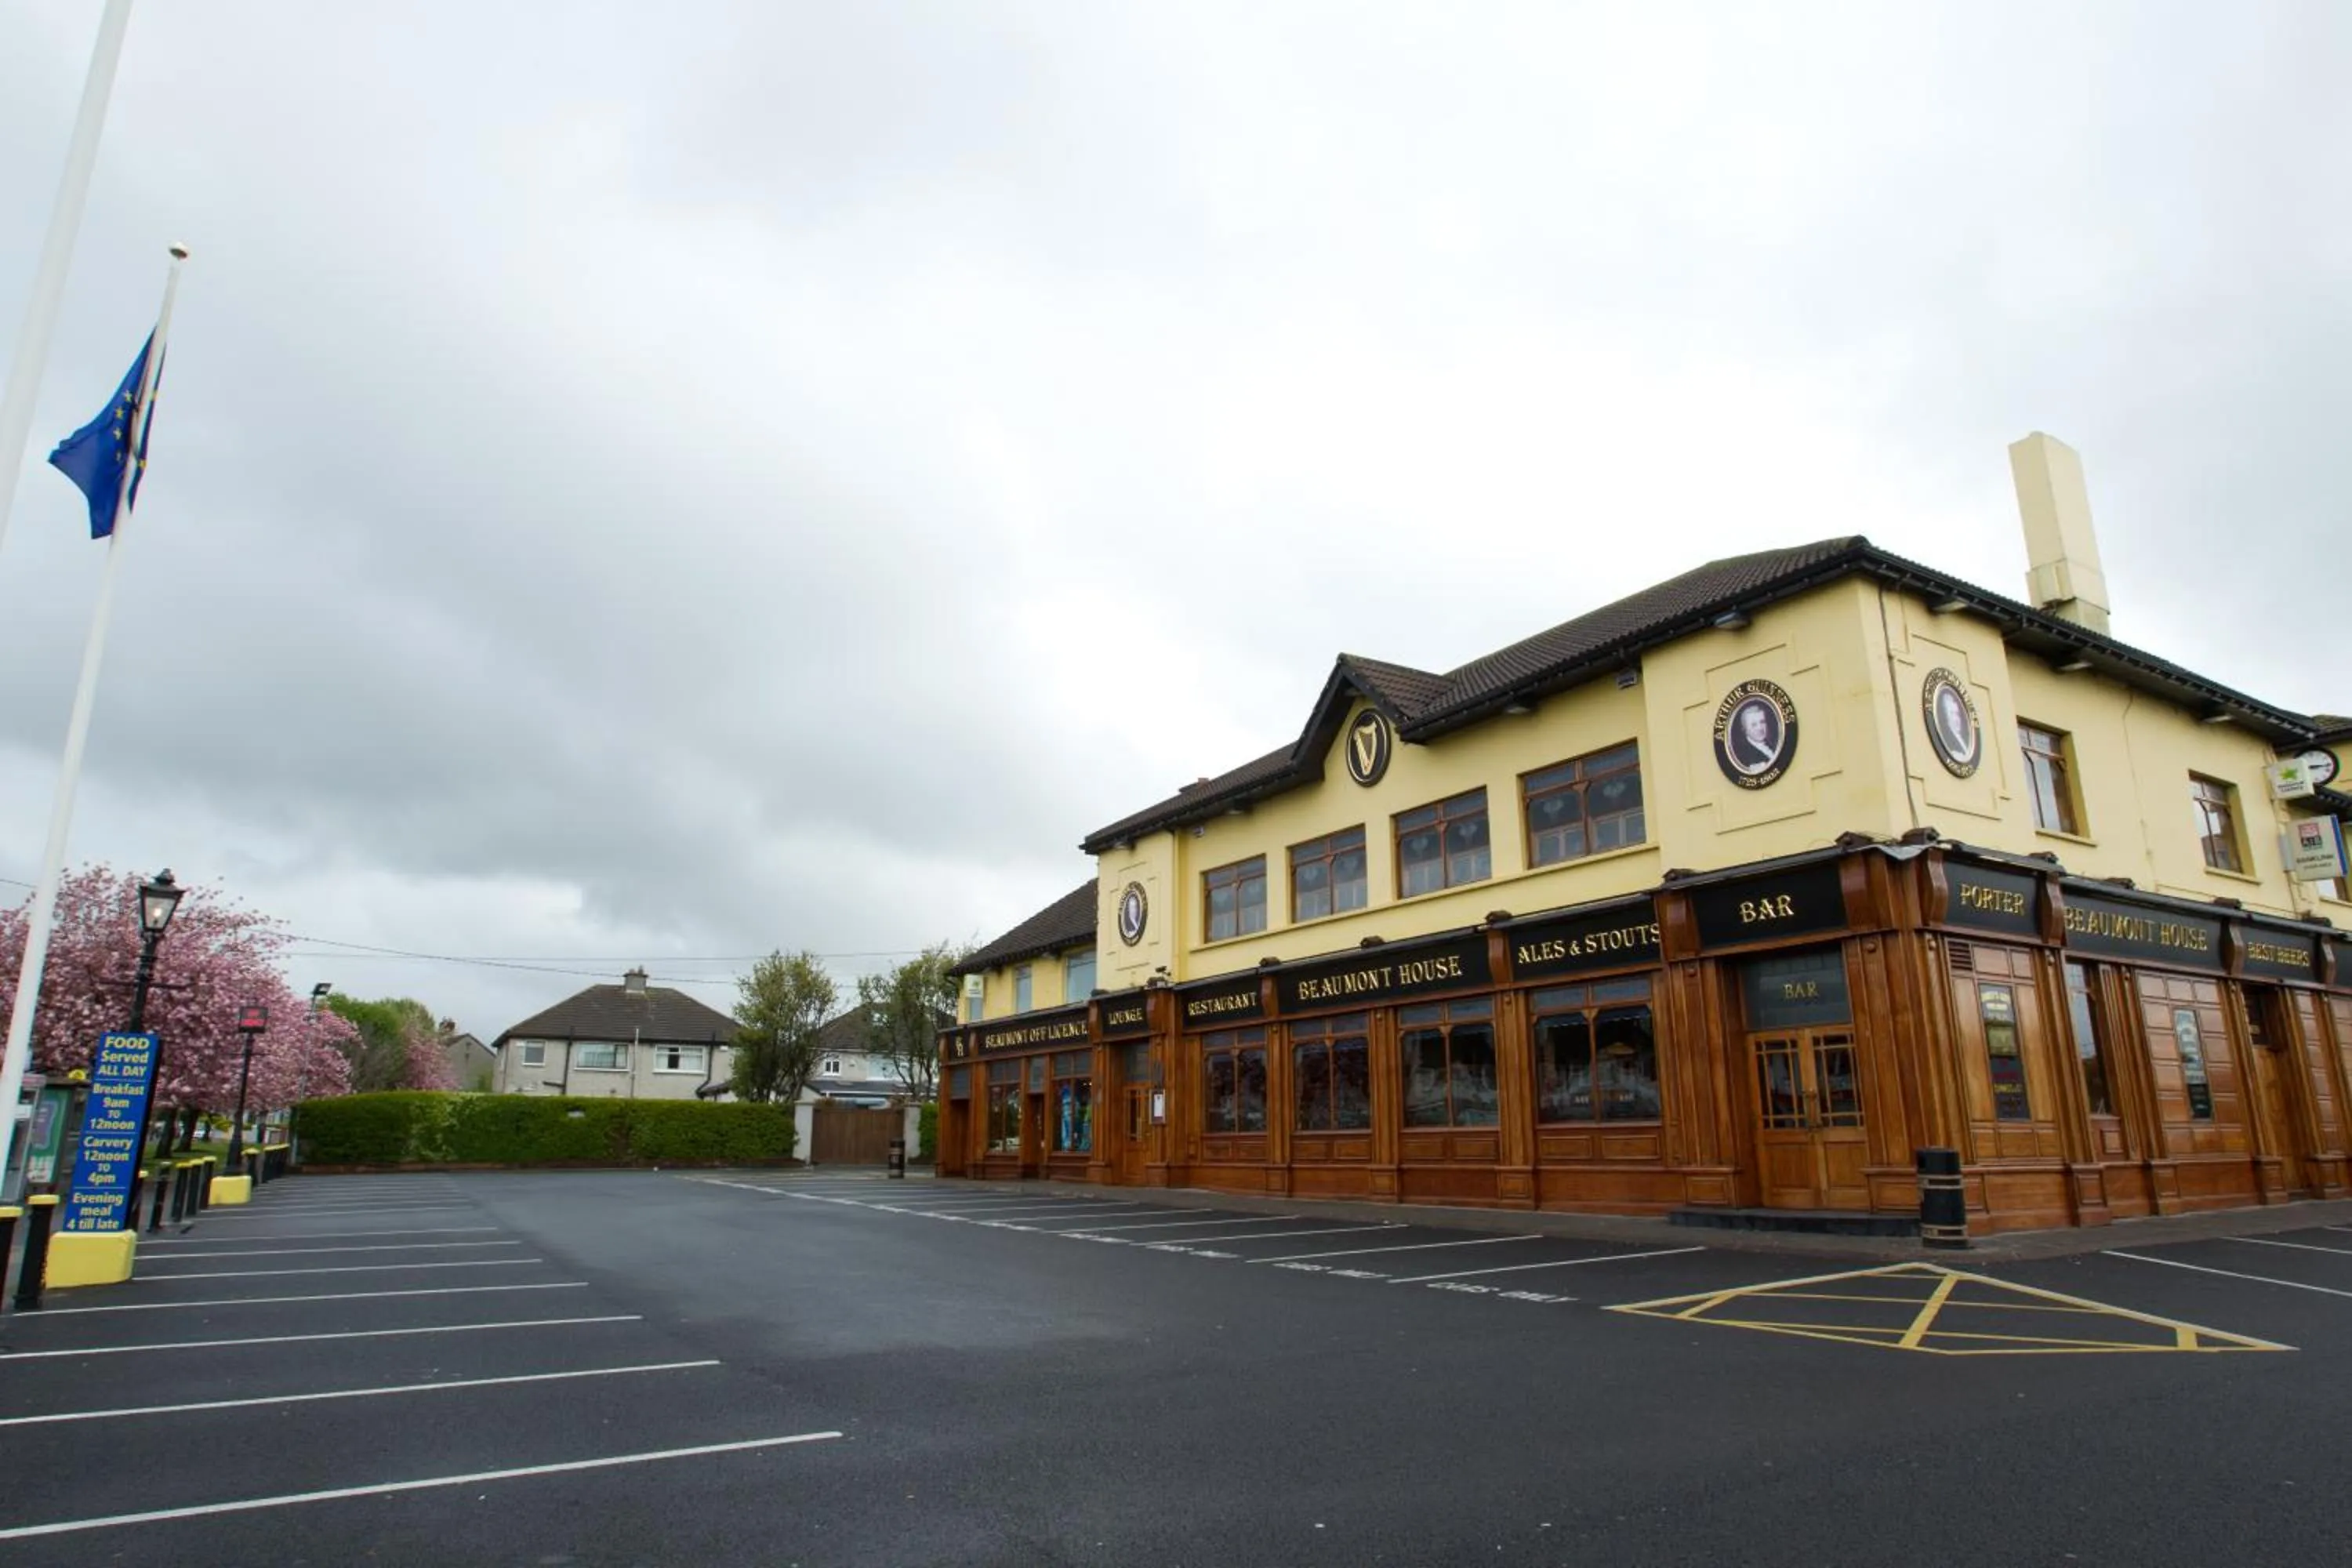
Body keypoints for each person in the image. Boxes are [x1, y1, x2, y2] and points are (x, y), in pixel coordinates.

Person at [1729, 699, 1781, 773]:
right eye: (1754, 725)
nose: (1760, 728)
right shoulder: (1743, 755)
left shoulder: (1773, 745)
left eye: (1762, 722)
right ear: (1745, 729)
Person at [1934, 684, 1976, 763]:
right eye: (1952, 714)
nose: (1957, 719)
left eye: (1957, 714)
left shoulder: (1965, 736)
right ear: (1946, 716)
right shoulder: (1948, 741)